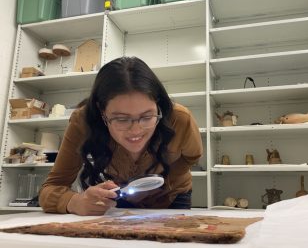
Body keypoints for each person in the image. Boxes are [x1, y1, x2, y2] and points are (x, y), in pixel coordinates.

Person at [39, 56, 203, 216]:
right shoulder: (83, 122)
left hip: (171, 196)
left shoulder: (179, 119)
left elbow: (192, 156)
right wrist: (74, 202)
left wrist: (162, 183)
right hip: (121, 197)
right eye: (121, 119)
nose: (135, 131)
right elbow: (51, 188)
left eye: (147, 117)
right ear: (101, 110)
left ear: (158, 105)